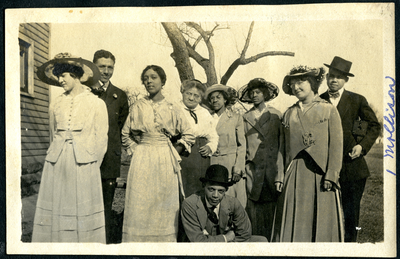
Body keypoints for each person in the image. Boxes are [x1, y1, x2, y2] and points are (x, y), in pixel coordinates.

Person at [32, 53, 108, 242]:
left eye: (63, 76)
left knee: (81, 207)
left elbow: (101, 140)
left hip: (84, 164)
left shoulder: (96, 103)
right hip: (57, 163)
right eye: (58, 76)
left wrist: (91, 166)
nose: (60, 80)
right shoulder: (55, 103)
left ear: (75, 75)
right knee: (58, 204)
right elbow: (53, 134)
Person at [121, 65, 195, 242]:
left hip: (164, 157)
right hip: (142, 157)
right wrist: (136, 151)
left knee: (162, 200)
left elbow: (189, 133)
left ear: (163, 81)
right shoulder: (138, 106)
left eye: (153, 77)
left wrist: (174, 152)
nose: (149, 81)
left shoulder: (172, 107)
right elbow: (125, 133)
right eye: (145, 78)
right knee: (141, 200)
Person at [271, 65, 344, 242]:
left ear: (312, 83)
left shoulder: (328, 109)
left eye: (301, 81)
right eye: (293, 83)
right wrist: (279, 175)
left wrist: (331, 176)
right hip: (295, 173)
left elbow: (336, 145)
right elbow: (282, 147)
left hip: (321, 175)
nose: (296, 87)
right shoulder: (289, 113)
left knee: (321, 221)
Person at [320, 56, 381, 242]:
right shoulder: (319, 100)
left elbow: (374, 125)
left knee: (351, 214)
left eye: (338, 77)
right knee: (326, 213)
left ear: (346, 79)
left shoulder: (357, 100)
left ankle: (350, 248)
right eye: (331, 76)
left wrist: (362, 146)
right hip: (324, 168)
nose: (333, 80)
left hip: (352, 169)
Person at [91, 49, 129, 244]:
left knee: (106, 203)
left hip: (109, 160)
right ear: (93, 67)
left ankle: (103, 243)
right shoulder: (84, 91)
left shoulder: (120, 95)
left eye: (110, 67)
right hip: (86, 156)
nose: (106, 71)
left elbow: (121, 127)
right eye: (101, 66)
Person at [239, 78, 284, 240]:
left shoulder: (276, 115)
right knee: (254, 209)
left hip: (272, 170)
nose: (255, 95)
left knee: (272, 209)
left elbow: (282, 146)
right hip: (252, 170)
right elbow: (242, 145)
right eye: (252, 93)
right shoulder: (245, 117)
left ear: (265, 94)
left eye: (258, 92)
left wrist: (280, 174)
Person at [181, 164, 268, 242]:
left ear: (226, 190)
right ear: (204, 186)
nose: (215, 195)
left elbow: (245, 234)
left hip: (222, 245)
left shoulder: (233, 203)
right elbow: (198, 241)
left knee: (261, 241)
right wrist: (225, 238)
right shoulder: (190, 204)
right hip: (201, 250)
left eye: (220, 191)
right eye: (211, 189)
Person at [205, 84, 247, 208]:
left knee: (233, 203)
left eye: (218, 97)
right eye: (212, 98)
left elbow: (242, 145)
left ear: (225, 99)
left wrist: (238, 167)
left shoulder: (235, 118)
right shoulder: (207, 118)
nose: (215, 100)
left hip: (231, 166)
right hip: (212, 164)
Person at [178, 79, 219, 197]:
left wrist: (210, 147)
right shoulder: (175, 109)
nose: (191, 98)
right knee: (181, 189)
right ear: (183, 93)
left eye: (196, 96)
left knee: (198, 191)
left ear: (200, 98)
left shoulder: (204, 113)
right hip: (182, 154)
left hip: (201, 158)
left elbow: (213, 135)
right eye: (189, 94)